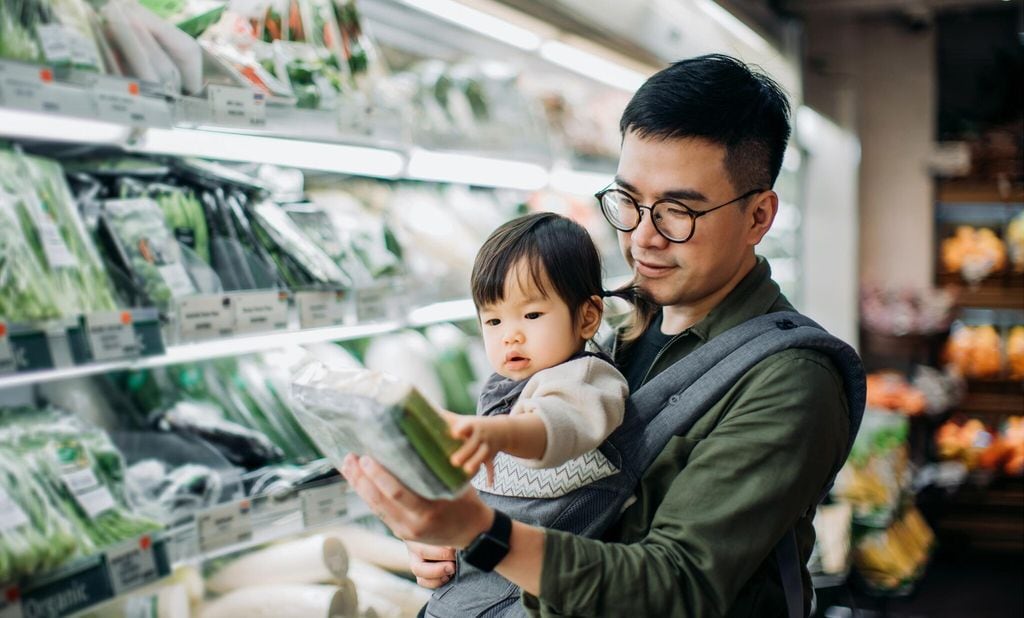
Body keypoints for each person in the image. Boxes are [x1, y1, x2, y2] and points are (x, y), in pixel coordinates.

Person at [341, 53, 860, 617]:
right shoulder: (604, 323)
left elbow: (678, 586)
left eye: (677, 212)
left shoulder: (791, 380)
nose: (642, 238)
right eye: (629, 201)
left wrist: (486, 536)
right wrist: (446, 539)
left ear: (759, 216)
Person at [426, 212, 629, 616]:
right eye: (494, 320)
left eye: (532, 315)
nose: (510, 335)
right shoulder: (502, 387)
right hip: (481, 577)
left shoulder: (586, 377)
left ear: (588, 316)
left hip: (532, 595)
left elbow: (556, 424)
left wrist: (498, 433)